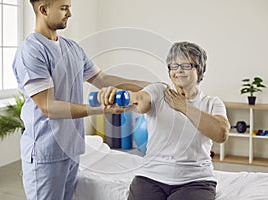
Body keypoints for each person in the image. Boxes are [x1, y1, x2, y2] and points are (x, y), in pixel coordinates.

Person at [12, 0, 149, 199]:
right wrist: (99, 110)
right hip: (46, 152)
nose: (69, 13)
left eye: (69, 7)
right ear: (43, 9)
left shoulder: (72, 48)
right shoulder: (31, 51)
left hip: (71, 149)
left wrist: (151, 86)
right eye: (63, 8)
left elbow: (102, 79)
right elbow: (48, 106)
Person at [97, 41, 230, 200]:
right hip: (150, 177)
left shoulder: (212, 103)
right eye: (173, 66)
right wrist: (119, 95)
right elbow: (139, 99)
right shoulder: (159, 91)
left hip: (196, 180)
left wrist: (184, 106)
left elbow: (221, 134)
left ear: (199, 70)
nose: (178, 70)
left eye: (186, 65)